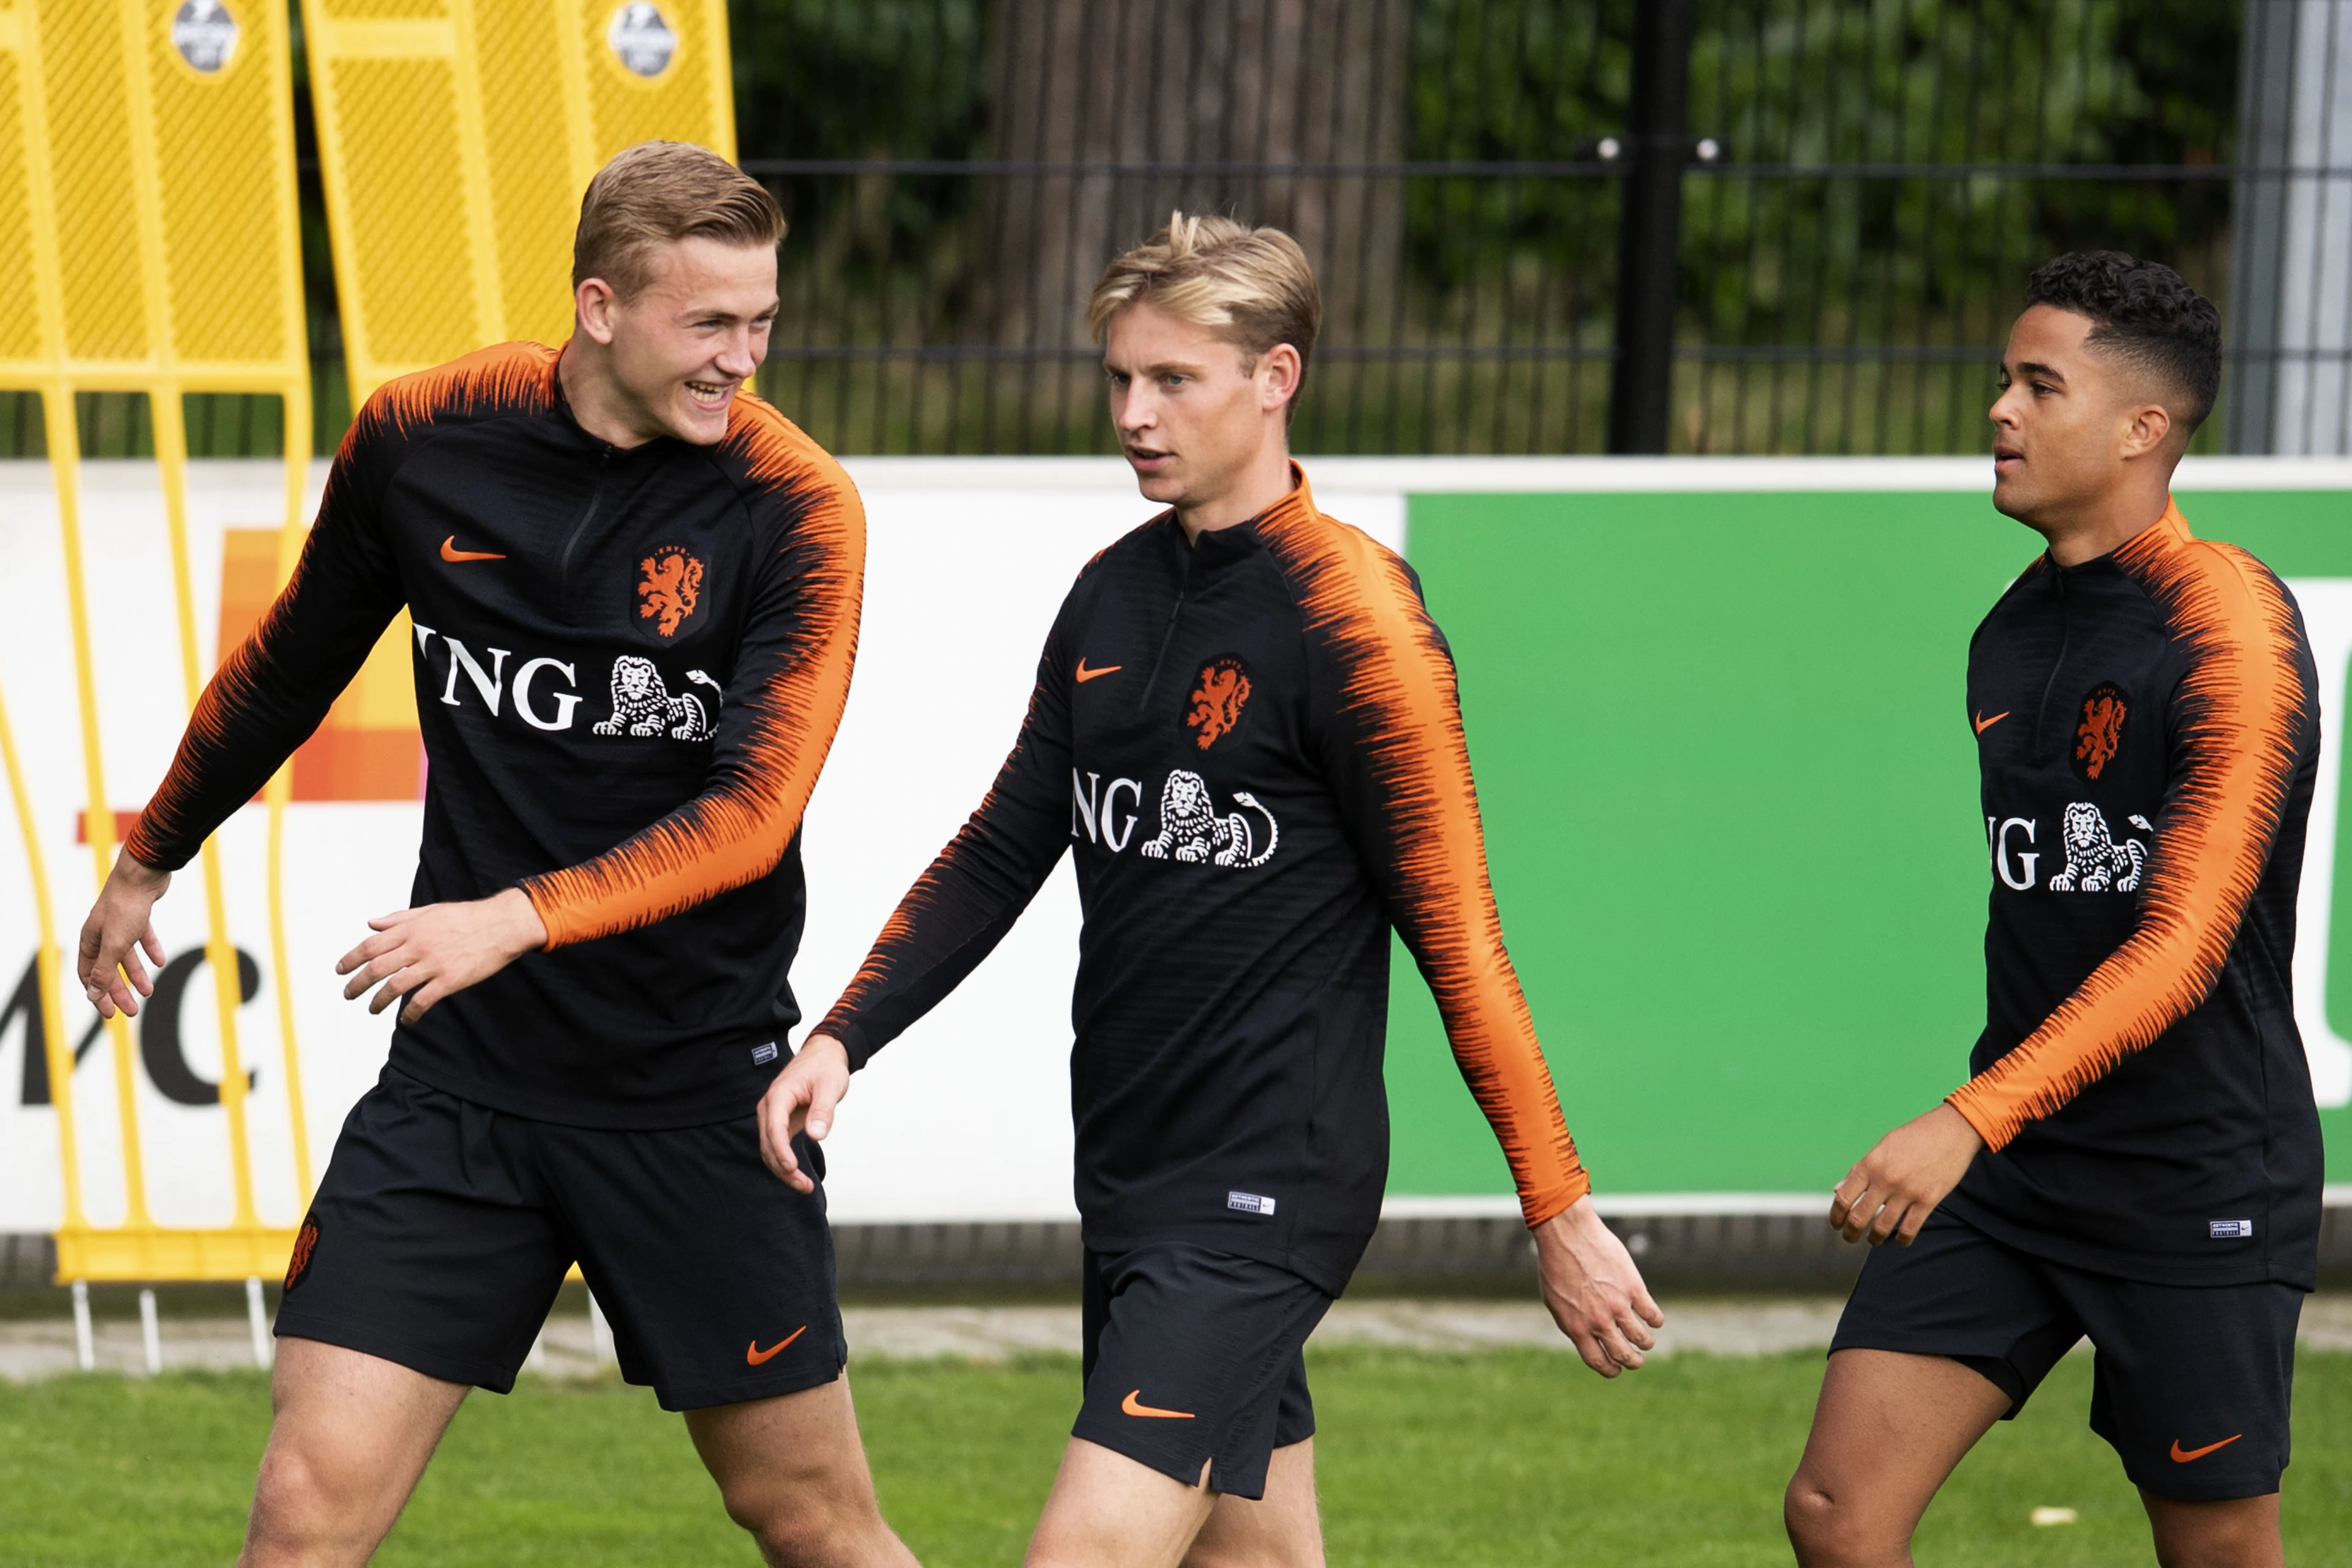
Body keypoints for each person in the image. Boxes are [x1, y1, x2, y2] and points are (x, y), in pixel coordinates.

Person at [756, 213, 1661, 1568]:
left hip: (1266, 1186)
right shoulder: (1110, 594)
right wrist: (845, 1032)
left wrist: (1559, 1209)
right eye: (1121, 378)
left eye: (1173, 380)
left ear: (1276, 377)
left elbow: (1459, 938)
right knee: (1252, 1556)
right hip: (1131, 1166)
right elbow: (1007, 842)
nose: (1133, 413)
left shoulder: (1359, 623)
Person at [75, 141, 914, 1568]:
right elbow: (289, 670)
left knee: (811, 1520)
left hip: (691, 1092)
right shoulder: (425, 432)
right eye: (710, 324)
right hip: (462, 1086)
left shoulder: (797, 505)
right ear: (601, 307)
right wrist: (150, 855)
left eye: (762, 321)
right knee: (300, 1508)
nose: (744, 359)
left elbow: (752, 813)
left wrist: (514, 915)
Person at [1785, 254, 2321, 1568]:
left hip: (2196, 1176)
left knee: (2218, 1551)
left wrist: (1963, 1118)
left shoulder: (2232, 629)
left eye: (2039, 383)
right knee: (1838, 1515)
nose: (1999, 411)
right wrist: (1994, 1121)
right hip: (2023, 1165)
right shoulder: (2012, 631)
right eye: (2004, 379)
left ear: (2144, 427)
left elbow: (2186, 946)